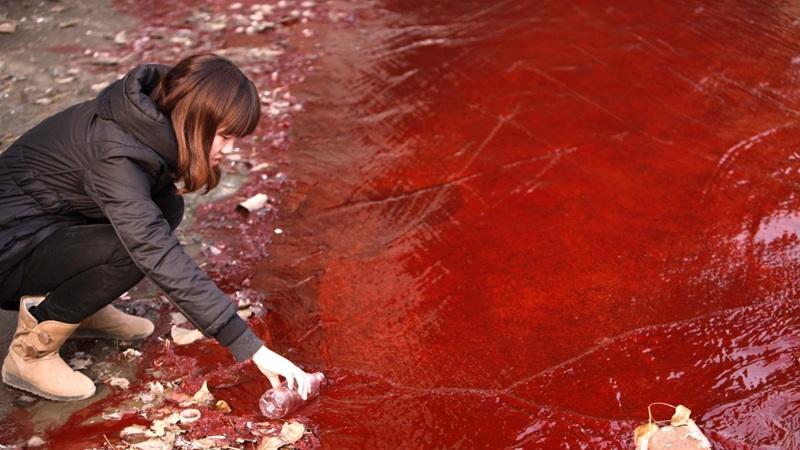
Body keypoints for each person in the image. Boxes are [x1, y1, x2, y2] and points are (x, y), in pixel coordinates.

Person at [0, 53, 315, 402]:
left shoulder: (149, 118)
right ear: (194, 119)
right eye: (224, 136)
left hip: (43, 224)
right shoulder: (117, 155)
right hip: (10, 250)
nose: (229, 149)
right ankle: (30, 353)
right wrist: (247, 344)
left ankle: (78, 306)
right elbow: (153, 249)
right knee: (134, 247)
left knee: (166, 206)